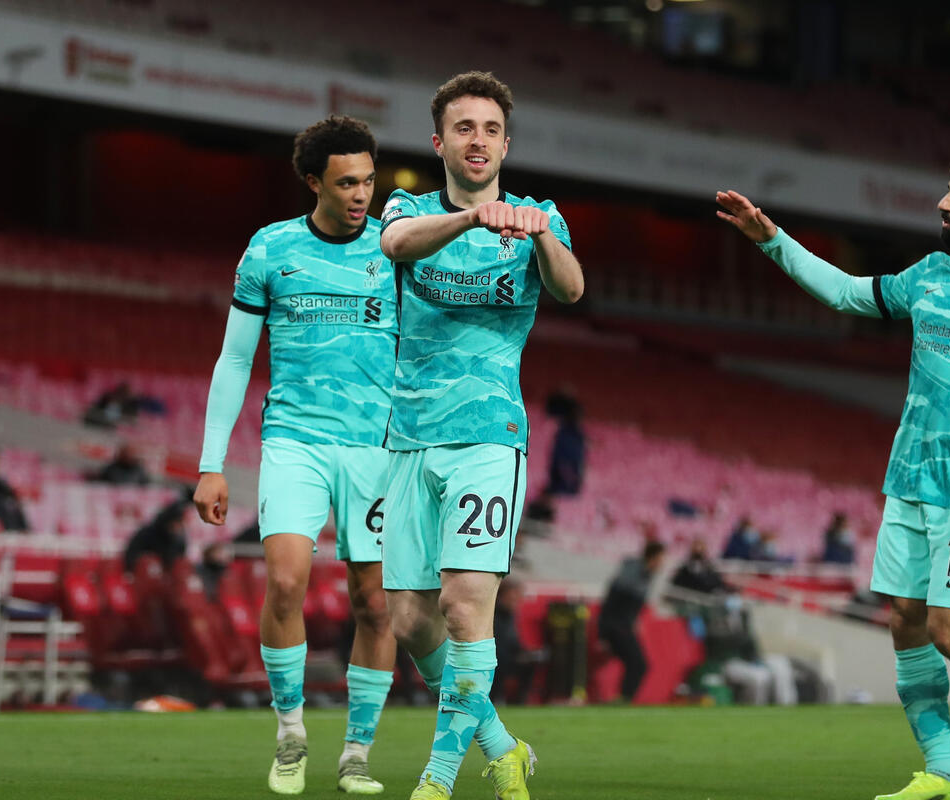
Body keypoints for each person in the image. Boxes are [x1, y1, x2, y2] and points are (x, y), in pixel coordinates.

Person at [717, 133, 950, 800]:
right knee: (906, 621)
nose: (944, 203)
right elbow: (847, 293)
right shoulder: (930, 274)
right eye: (948, 190)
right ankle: (944, 773)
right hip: (909, 479)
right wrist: (772, 239)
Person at [378, 70, 583, 800]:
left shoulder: (539, 217)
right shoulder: (408, 207)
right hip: (408, 437)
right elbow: (396, 244)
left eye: (491, 130)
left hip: (489, 438)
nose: (478, 140)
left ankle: (438, 778)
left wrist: (539, 235)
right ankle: (503, 747)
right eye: (464, 128)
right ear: (439, 142)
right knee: (410, 621)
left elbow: (571, 288)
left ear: (505, 144)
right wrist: (472, 220)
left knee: (465, 607)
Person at [193, 116, 397, 796]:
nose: (361, 194)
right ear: (314, 182)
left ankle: (357, 753)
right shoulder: (270, 249)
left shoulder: (395, 251)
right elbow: (234, 360)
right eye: (346, 183)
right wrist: (211, 463)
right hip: (295, 442)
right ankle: (290, 734)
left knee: (375, 603)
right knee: (284, 584)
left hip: (375, 449)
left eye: (368, 181)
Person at [598, 540, 665, 704]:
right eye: (661, 559)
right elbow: (611, 602)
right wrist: (603, 634)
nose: (662, 564)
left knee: (636, 663)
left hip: (623, 626)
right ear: (652, 558)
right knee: (639, 663)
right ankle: (624, 699)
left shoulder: (646, 575)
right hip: (617, 627)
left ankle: (623, 698)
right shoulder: (631, 574)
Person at [123, 498, 187, 573]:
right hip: (144, 574)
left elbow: (178, 560)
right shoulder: (147, 534)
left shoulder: (178, 541)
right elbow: (131, 556)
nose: (179, 527)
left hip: (166, 576)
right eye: (178, 522)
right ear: (170, 522)